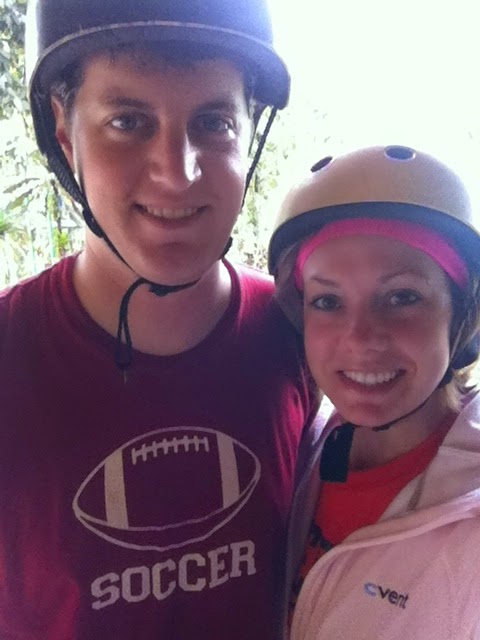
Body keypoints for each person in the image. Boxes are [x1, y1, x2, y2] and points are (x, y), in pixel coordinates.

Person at [0, 1, 317, 638]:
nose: (178, 172)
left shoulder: (304, 333)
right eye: (128, 121)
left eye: (214, 123)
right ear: (65, 135)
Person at [268, 145, 480, 639]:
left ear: (461, 316)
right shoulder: (313, 448)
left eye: (402, 296)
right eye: (328, 301)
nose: (361, 339)